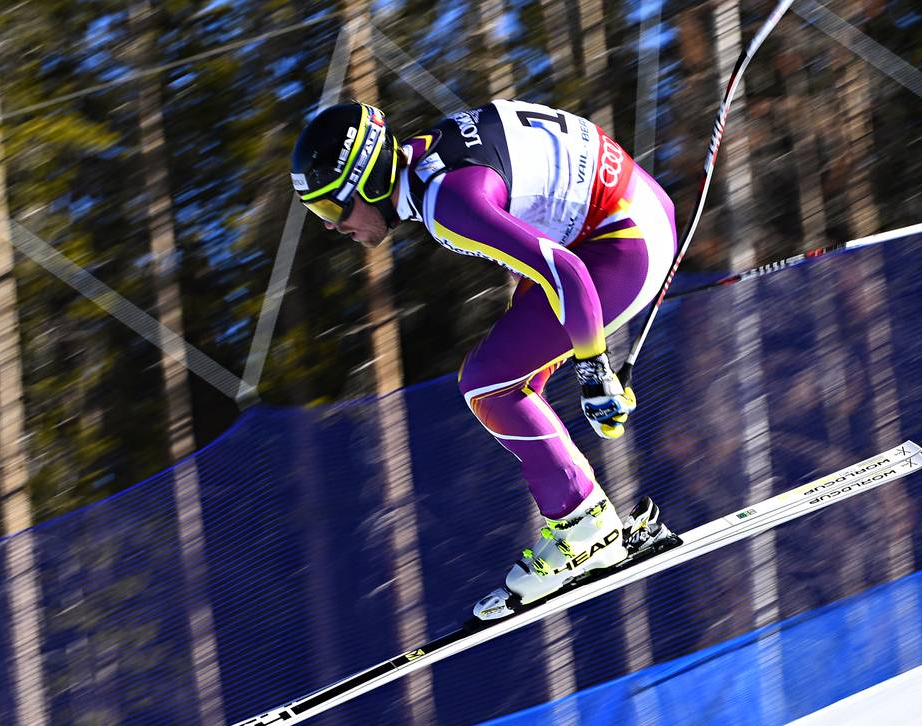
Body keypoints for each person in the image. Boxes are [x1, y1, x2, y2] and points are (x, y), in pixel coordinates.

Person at [290, 100, 680, 619]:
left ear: (367, 182)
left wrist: (593, 369)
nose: (333, 228)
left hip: (620, 242)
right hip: (633, 211)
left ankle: (585, 527)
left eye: (331, 209)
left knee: (487, 383)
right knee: (511, 372)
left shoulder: (446, 205)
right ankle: (584, 518)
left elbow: (567, 272)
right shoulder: (432, 156)